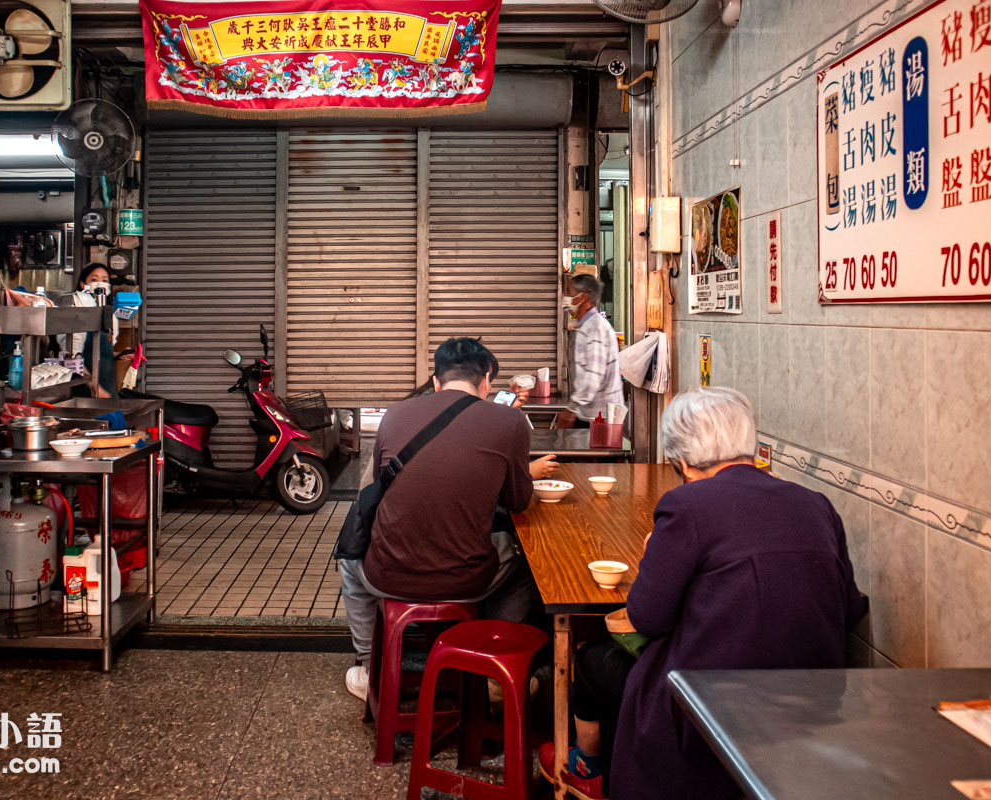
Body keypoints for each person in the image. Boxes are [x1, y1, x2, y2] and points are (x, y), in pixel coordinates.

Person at [540, 387, 868, 799]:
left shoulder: (687, 505)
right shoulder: (816, 504)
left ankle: (588, 769)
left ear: (683, 461)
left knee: (593, 659)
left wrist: (651, 558)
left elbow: (646, 617)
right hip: (814, 701)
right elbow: (849, 609)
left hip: (710, 704)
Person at [339, 338, 553, 700]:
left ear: (437, 381)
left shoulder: (394, 414)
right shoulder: (509, 421)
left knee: (348, 560)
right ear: (486, 380)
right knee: (521, 564)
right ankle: (495, 672)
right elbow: (518, 501)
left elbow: (379, 485)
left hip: (387, 573)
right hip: (466, 579)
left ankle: (369, 669)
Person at [557, 273, 623, 429]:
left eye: (570, 293)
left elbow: (593, 375)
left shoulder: (595, 328)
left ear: (583, 297)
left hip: (601, 417)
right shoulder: (587, 326)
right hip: (591, 414)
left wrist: (572, 408)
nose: (566, 298)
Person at [71, 263, 118, 399]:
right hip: (86, 389)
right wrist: (95, 387)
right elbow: (73, 359)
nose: (100, 284)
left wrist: (120, 354)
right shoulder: (76, 313)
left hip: (107, 385)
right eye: (94, 279)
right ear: (82, 284)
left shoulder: (110, 315)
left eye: (104, 280)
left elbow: (103, 351)